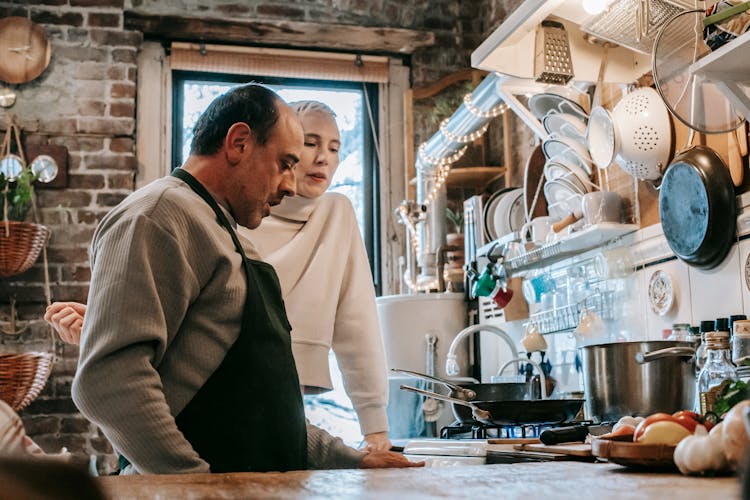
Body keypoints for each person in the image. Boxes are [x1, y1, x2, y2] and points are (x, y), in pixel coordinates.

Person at [68, 83, 420, 474]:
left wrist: (350, 457)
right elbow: (109, 380)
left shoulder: (229, 235)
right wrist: (193, 484)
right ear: (238, 143)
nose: (290, 183)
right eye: (285, 162)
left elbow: (255, 404)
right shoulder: (158, 215)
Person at [243, 100, 390, 451]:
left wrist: (376, 429)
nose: (323, 157)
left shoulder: (336, 212)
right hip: (221, 388)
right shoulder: (240, 213)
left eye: (334, 148)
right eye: (310, 143)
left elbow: (357, 320)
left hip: (288, 398)